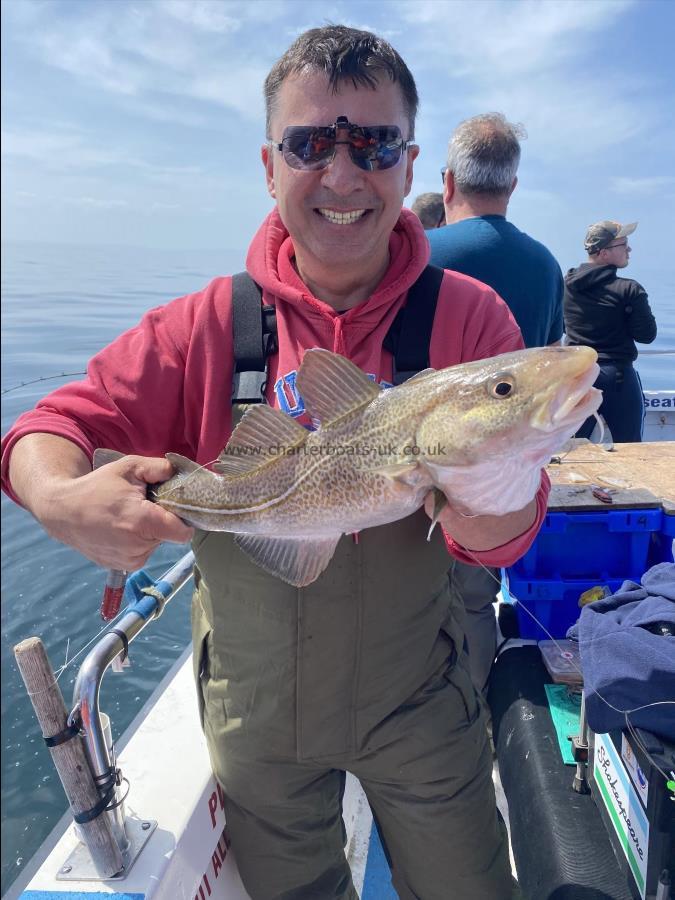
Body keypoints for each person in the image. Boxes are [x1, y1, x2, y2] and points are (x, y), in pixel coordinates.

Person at [1, 26, 551, 900]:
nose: (342, 175)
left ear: (409, 167)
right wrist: (62, 497)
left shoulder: (470, 321)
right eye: (308, 145)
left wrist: (494, 488)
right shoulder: (207, 326)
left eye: (373, 144)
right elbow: (51, 424)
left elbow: (500, 543)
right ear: (269, 165)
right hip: (255, 722)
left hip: (422, 703)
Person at [426, 112, 564, 695]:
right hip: (505, 481)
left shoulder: (418, 254)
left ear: (448, 182)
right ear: (512, 186)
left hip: (424, 470)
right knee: (477, 600)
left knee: (411, 606)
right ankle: (473, 714)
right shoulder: (545, 265)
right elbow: (554, 364)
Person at [564, 220, 657, 443]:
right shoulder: (629, 289)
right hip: (618, 379)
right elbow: (646, 335)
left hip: (578, 377)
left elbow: (558, 326)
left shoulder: (565, 284)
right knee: (632, 449)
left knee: (571, 449)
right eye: (624, 244)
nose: (629, 249)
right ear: (604, 253)